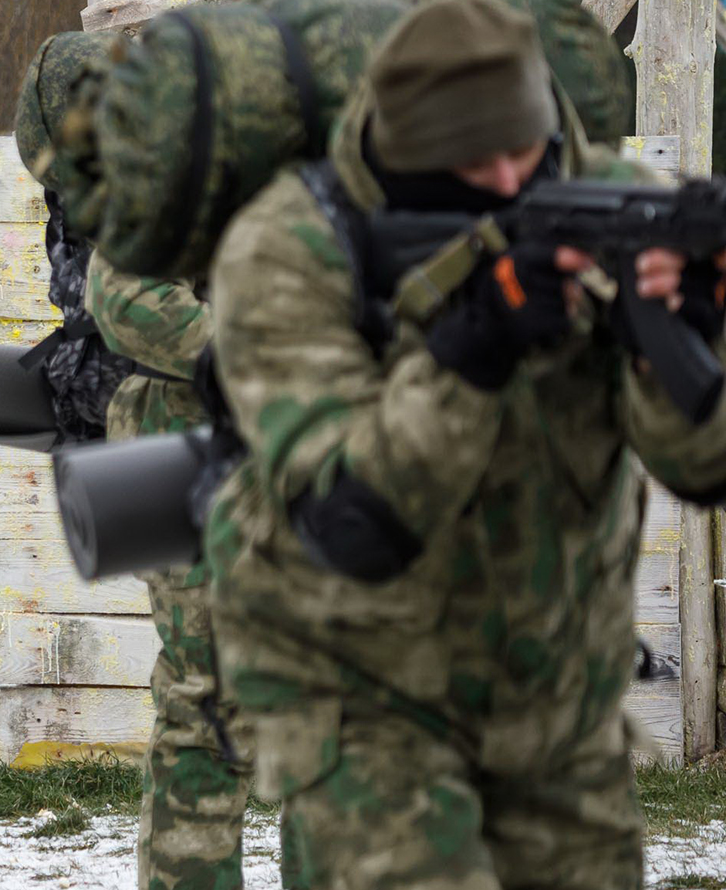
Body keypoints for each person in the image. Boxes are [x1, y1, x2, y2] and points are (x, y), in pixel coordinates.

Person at [202, 0, 726, 884]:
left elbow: (703, 470)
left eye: (525, 149)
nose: (511, 179)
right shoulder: (292, 249)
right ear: (407, 149)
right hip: (367, 709)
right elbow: (352, 523)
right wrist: (474, 347)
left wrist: (682, 336)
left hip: (559, 712)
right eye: (475, 162)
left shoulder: (604, 199)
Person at [87, 256, 303, 889]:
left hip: (358, 449)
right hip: (208, 444)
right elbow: (123, 285)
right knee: (213, 705)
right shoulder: (201, 163)